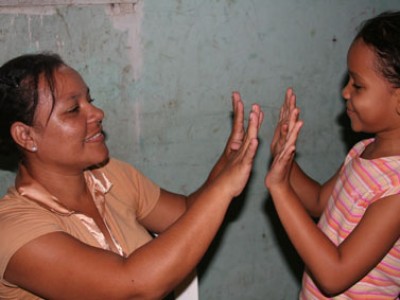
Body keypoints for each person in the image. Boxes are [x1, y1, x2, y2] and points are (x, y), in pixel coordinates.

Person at [0, 52, 263, 299]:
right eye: (73, 110)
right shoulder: (13, 230)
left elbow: (185, 216)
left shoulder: (109, 175)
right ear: (26, 136)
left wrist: (227, 165)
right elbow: (132, 288)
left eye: (89, 101)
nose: (97, 113)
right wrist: (223, 189)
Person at [265, 11, 400, 299]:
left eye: (358, 85)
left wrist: (279, 190)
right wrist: (284, 161)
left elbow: (334, 275)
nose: (345, 92)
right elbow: (317, 201)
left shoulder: (396, 189)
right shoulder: (364, 151)